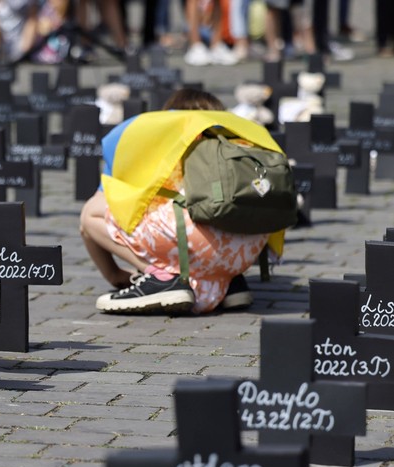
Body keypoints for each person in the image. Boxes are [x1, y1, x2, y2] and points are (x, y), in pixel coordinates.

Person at [79, 88, 286, 315]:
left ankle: (159, 278)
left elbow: (106, 193)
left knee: (92, 212)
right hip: (245, 251)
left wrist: (115, 275)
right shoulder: (240, 132)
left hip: (194, 242)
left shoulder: (154, 129)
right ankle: (230, 283)